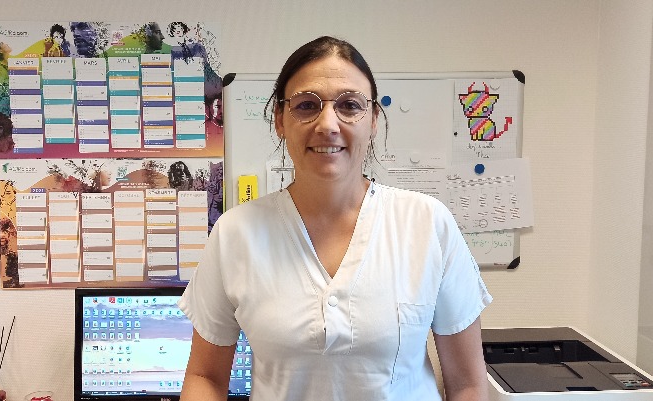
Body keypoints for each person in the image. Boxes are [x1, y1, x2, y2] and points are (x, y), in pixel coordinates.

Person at [178, 36, 492, 401]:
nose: (327, 124)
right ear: (280, 120)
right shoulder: (236, 234)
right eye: (306, 105)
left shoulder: (428, 224)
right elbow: (205, 376)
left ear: (373, 120)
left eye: (349, 105)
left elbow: (468, 384)